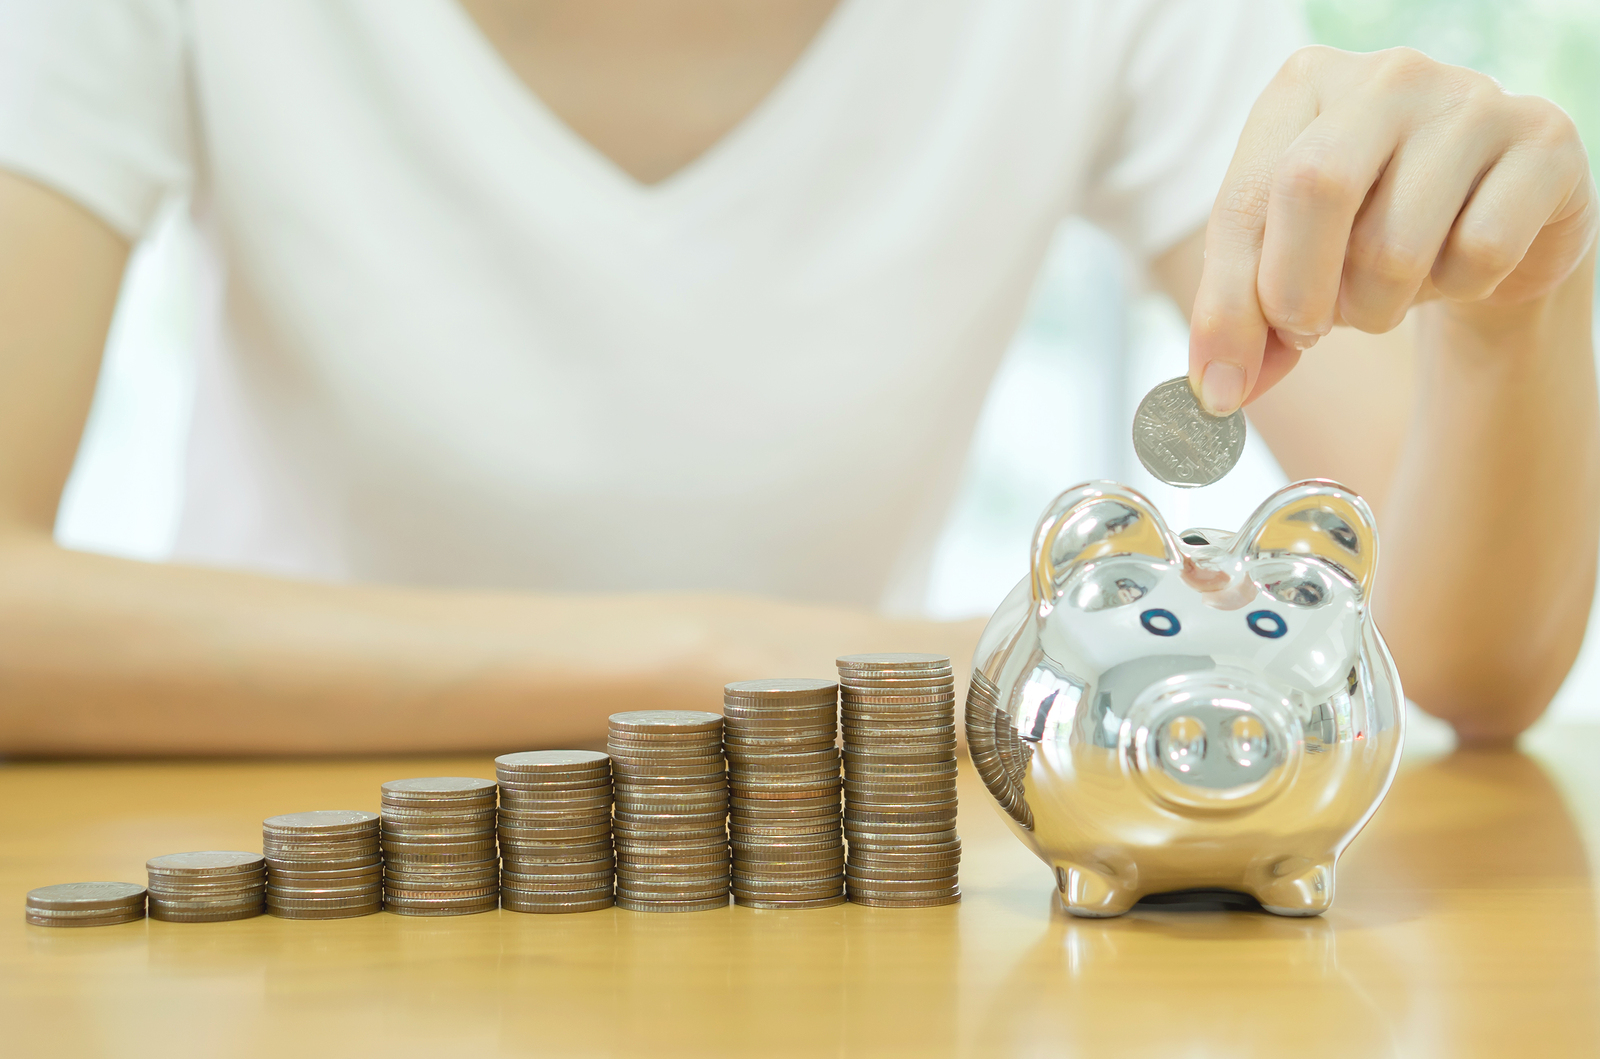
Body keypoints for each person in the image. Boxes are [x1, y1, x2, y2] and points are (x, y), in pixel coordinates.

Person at [0, 0, 1593, 756]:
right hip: (273, 856)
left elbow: (1456, 657)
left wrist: (1509, 317)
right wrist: (734, 653)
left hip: (836, 887)